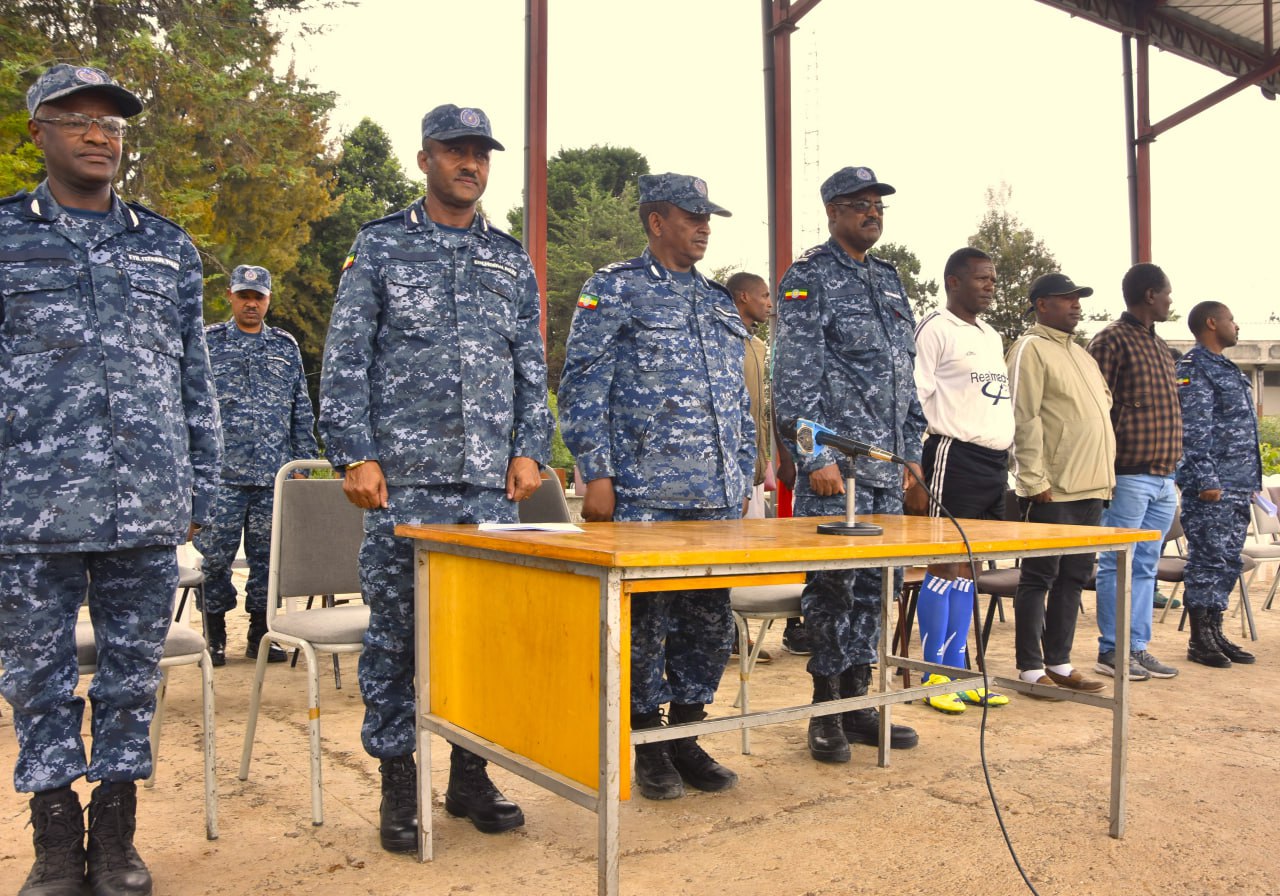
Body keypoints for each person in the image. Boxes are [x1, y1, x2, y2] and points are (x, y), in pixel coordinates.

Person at [0, 64, 222, 895]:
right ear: (38, 134)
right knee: (38, 681)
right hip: (29, 509)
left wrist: (197, 487)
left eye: (113, 122)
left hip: (145, 506)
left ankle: (118, 836)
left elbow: (193, 382)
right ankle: (56, 843)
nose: (99, 133)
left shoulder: (166, 246)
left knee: (131, 678)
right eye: (77, 119)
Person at [319, 104, 551, 853]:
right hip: (403, 488)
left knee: (484, 640)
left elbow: (528, 364)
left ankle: (470, 775)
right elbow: (345, 358)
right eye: (455, 152)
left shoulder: (509, 259)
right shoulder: (381, 247)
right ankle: (397, 781)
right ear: (425, 160)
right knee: (397, 639)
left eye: (481, 154)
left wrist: (530, 448)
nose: (470, 165)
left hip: (491, 488)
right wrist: (354, 452)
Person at [558, 173, 753, 801]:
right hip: (645, 494)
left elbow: (738, 398)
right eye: (690, 216)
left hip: (717, 498)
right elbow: (582, 385)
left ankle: (686, 736)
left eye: (707, 218)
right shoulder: (614, 290)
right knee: (644, 624)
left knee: (708, 622)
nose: (702, 227)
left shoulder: (722, 302)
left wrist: (743, 467)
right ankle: (644, 742)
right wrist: (597, 472)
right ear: (655, 221)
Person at [772, 165, 921, 763]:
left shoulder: (889, 281)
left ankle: (859, 702)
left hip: (888, 472)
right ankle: (824, 709)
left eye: (878, 205)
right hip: (838, 474)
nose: (872, 213)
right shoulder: (809, 277)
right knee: (832, 592)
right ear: (832, 211)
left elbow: (907, 379)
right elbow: (794, 379)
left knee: (873, 592)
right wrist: (814, 458)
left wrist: (912, 453)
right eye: (860, 205)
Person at [194, 264, 318, 667]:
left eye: (258, 296)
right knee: (213, 559)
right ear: (230, 296)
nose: (251, 303)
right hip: (221, 478)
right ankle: (213, 635)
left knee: (269, 561)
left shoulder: (285, 346)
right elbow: (192, 404)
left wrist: (304, 464)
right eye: (244, 295)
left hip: (273, 477)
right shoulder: (208, 342)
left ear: (268, 300)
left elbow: (301, 407)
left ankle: (261, 634)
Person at [909, 247, 1012, 713]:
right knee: (945, 563)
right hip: (953, 454)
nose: (990, 284)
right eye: (981, 278)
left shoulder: (990, 334)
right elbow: (914, 399)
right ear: (953, 281)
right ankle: (935, 674)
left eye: (992, 278)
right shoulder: (935, 328)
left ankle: (962, 669)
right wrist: (912, 466)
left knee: (971, 567)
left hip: (994, 462)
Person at [1006, 273, 1113, 693]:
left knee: (1073, 578)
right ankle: (1030, 668)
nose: (1076, 305)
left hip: (1092, 488)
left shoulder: (1082, 354)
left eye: (1078, 299)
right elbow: (1022, 417)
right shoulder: (1030, 348)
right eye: (1066, 299)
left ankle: (1061, 663)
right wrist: (1033, 480)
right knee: (1039, 578)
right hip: (1053, 488)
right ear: (1041, 304)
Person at [1085, 263, 1182, 682]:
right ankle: (1112, 651)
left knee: (1145, 565)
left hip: (1164, 478)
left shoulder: (1160, 346)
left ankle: (1137, 647)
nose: (1170, 301)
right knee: (1116, 564)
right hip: (1128, 475)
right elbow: (1094, 408)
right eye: (1167, 294)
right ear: (1149, 295)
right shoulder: (1111, 340)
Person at [1175, 301, 1260, 668]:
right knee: (1207, 559)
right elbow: (1193, 430)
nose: (1236, 326)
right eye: (1230, 319)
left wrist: (1249, 481)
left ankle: (1216, 630)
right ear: (1212, 323)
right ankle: (1200, 638)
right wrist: (1207, 478)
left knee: (1227, 560)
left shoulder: (1228, 368)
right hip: (1213, 485)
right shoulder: (1195, 369)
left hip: (1237, 483)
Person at [726, 271, 773, 664]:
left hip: (754, 468)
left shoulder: (758, 346)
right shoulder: (721, 340)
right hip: (728, 472)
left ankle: (740, 634)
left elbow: (762, 411)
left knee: (746, 557)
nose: (769, 302)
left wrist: (765, 462)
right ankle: (726, 633)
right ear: (743, 297)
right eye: (763, 295)